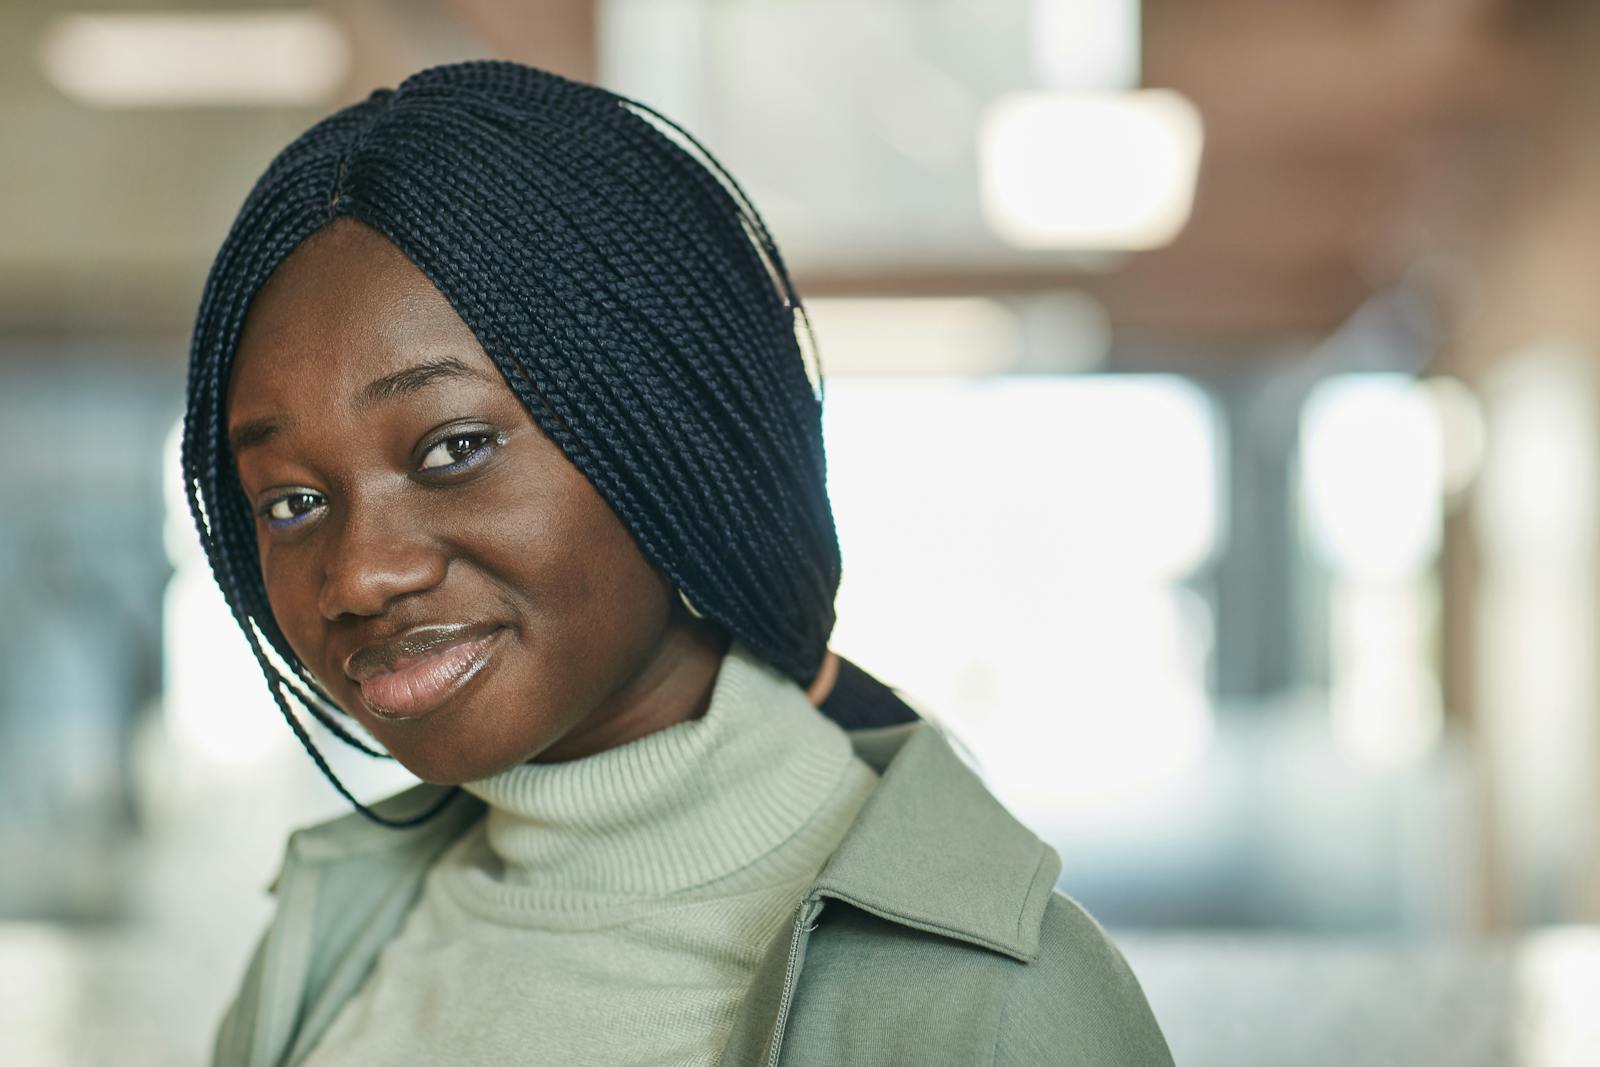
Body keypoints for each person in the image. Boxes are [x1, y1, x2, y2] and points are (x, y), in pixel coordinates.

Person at [183, 60, 1172, 1066]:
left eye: (453, 449)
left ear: (667, 432)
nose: (359, 576)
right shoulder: (324, 935)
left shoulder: (994, 1010)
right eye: (293, 502)